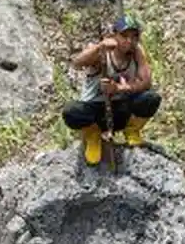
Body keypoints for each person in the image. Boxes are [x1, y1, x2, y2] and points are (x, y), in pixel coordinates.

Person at [62, 14, 161, 166]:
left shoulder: (137, 52)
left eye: (134, 37)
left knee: (150, 99)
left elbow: (146, 82)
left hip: (121, 109)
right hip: (95, 110)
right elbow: (77, 62)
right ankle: (93, 136)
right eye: (124, 36)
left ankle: (132, 130)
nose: (129, 41)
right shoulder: (101, 52)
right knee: (72, 111)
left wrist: (119, 88)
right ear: (114, 35)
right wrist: (99, 47)